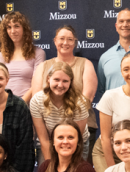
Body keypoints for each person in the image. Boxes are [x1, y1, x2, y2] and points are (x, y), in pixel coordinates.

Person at [31, 25, 97, 156]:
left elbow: (87, 98)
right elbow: (37, 97)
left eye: (70, 39)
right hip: (48, 132)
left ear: (75, 42)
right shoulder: (43, 66)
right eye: (61, 39)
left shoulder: (85, 63)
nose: (65, 43)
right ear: (55, 41)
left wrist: (64, 134)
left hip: (78, 127)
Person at [30, 62, 89, 162]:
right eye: (56, 80)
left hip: (75, 144)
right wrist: (51, 166)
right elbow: (44, 139)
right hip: (49, 142)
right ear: (48, 79)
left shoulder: (80, 102)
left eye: (65, 81)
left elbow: (76, 139)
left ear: (71, 82)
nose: (60, 85)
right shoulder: (37, 100)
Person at [0, 11, 45, 103]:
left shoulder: (38, 53)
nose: (13, 31)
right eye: (9, 27)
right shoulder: (1, 56)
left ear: (24, 29)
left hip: (28, 105)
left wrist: (20, 103)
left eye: (16, 26)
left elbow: (37, 83)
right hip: (4, 104)